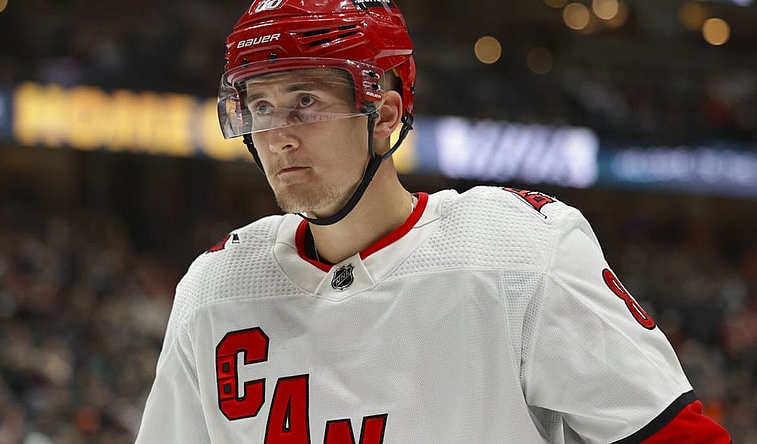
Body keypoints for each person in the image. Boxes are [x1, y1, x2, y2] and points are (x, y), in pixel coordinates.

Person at [136, 0, 732, 442]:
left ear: (384, 112)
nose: (279, 137)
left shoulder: (517, 253)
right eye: (260, 107)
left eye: (306, 101)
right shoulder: (215, 290)